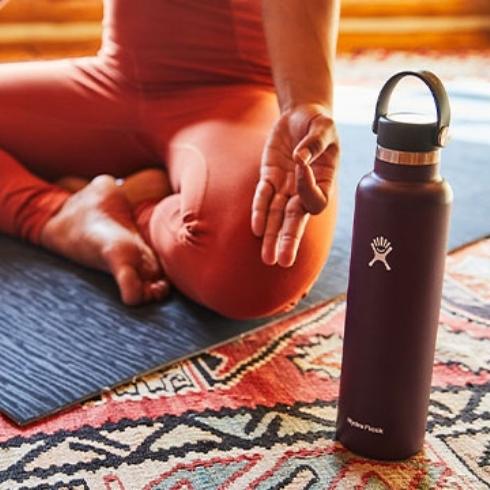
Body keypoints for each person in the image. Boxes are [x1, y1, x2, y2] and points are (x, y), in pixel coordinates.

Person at [0, 0, 340, 319]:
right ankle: (62, 216)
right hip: (115, 83)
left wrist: (303, 102)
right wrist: (45, 216)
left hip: (234, 99)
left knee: (257, 263)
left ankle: (142, 202)